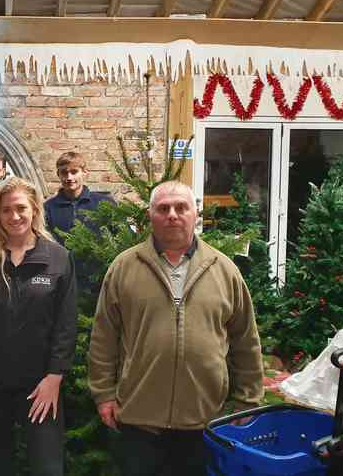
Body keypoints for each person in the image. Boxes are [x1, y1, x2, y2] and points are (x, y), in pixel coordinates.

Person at [87, 181, 263, 476]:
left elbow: (246, 340)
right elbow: (104, 336)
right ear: (150, 215)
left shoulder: (224, 270)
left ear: (196, 215)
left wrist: (248, 400)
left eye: (181, 208)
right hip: (139, 421)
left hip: (205, 422)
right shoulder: (124, 268)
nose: (172, 215)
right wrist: (104, 394)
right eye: (163, 208)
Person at [0, 176, 77, 476]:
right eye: (6, 210)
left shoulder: (57, 259)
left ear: (34, 209)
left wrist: (54, 378)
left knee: (47, 468)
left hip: (41, 388)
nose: (14, 216)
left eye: (21, 208)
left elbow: (66, 325)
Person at [44, 151, 115, 243]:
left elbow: (122, 238)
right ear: (58, 175)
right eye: (64, 173)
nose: (69, 177)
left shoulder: (104, 203)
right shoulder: (48, 208)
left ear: (84, 173)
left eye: (74, 172)